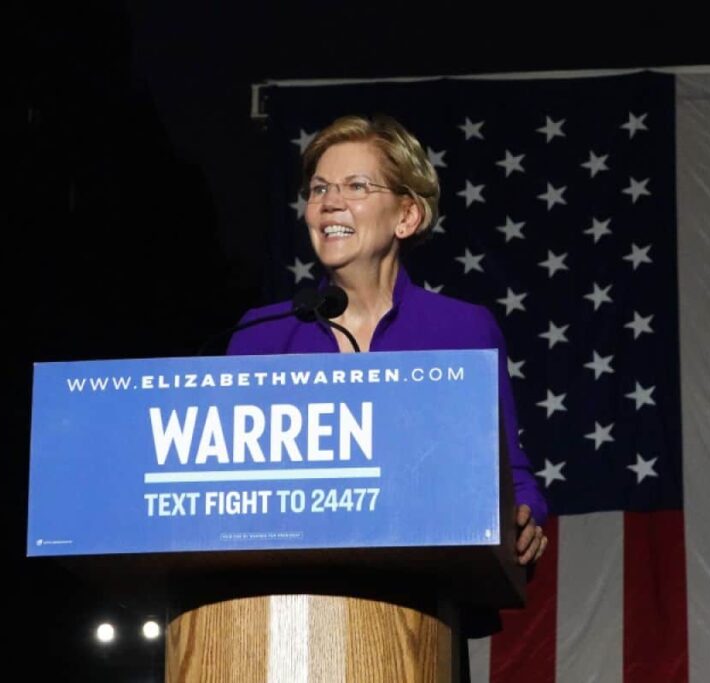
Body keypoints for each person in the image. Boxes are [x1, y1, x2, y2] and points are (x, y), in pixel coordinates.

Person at [226, 113, 547, 565]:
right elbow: (223, 485)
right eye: (319, 189)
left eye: (356, 186)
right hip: (282, 595)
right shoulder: (260, 336)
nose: (330, 203)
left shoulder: (462, 331)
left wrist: (525, 517)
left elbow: (506, 470)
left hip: (424, 601)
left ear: (407, 215)